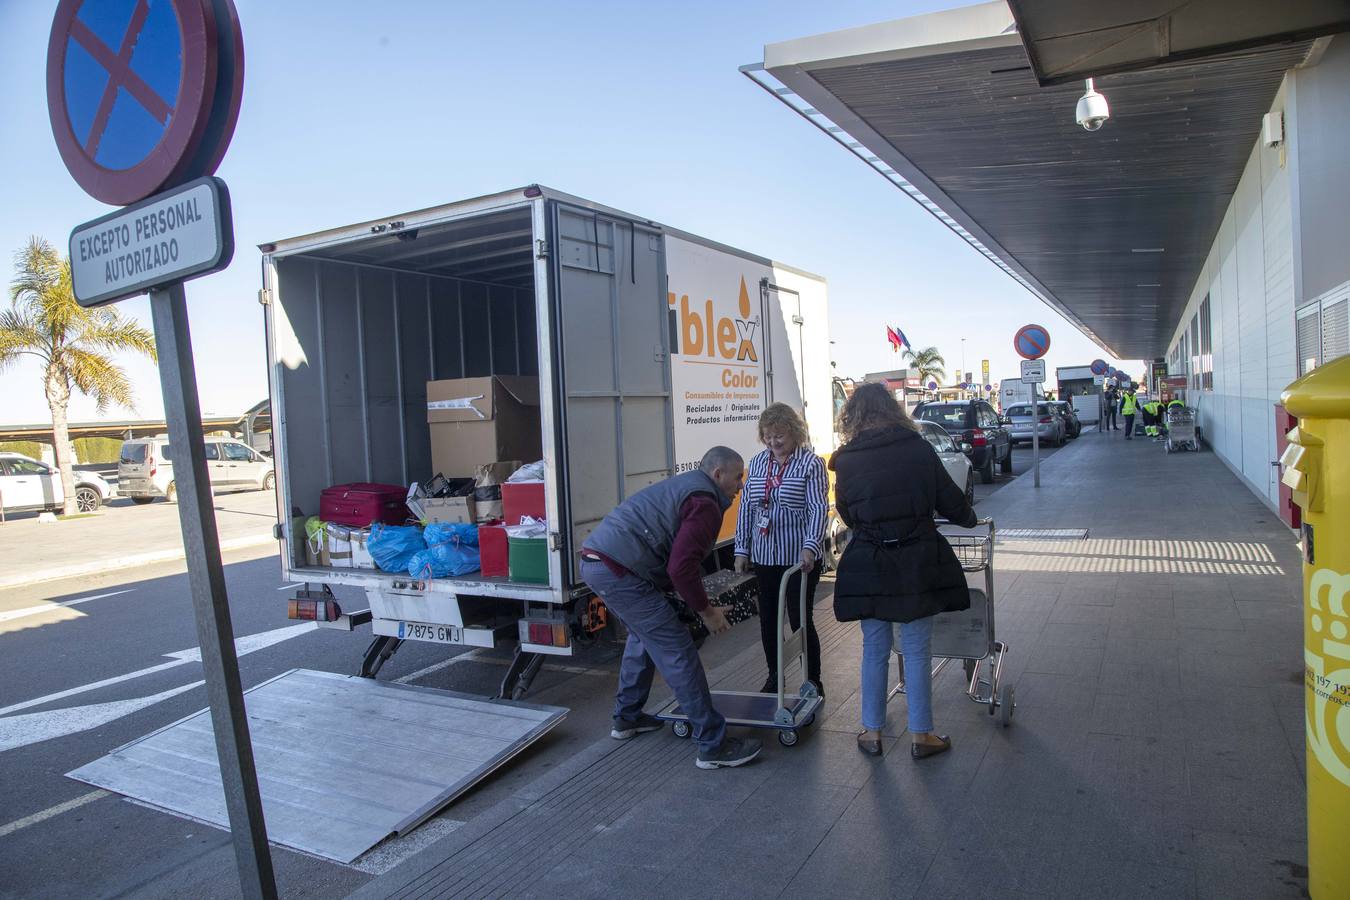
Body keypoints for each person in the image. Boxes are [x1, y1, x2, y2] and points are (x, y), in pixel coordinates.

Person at [580, 446, 763, 770]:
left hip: (602, 561)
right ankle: (712, 745)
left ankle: (627, 718)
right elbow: (681, 568)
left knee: (643, 637)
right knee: (677, 649)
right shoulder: (705, 503)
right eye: (737, 478)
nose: (740, 487)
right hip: (620, 570)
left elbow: (673, 557)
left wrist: (699, 602)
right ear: (718, 474)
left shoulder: (689, 486)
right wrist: (708, 613)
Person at [829, 383, 977, 760]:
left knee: (874, 649)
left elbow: (847, 512)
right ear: (892, 410)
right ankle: (921, 735)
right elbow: (949, 498)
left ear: (854, 416)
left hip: (869, 562)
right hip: (916, 559)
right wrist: (968, 519)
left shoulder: (845, 459)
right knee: (915, 649)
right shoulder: (917, 447)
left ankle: (872, 731)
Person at [733, 403, 829, 697]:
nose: (774, 442)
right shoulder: (759, 463)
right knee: (769, 620)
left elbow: (817, 509)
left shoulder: (810, 464)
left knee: (800, 618)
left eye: (780, 437)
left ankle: (812, 680)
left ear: (794, 434)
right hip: (765, 556)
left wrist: (811, 547)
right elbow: (747, 509)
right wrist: (741, 549)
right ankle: (775, 675)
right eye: (768, 436)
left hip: (799, 559)